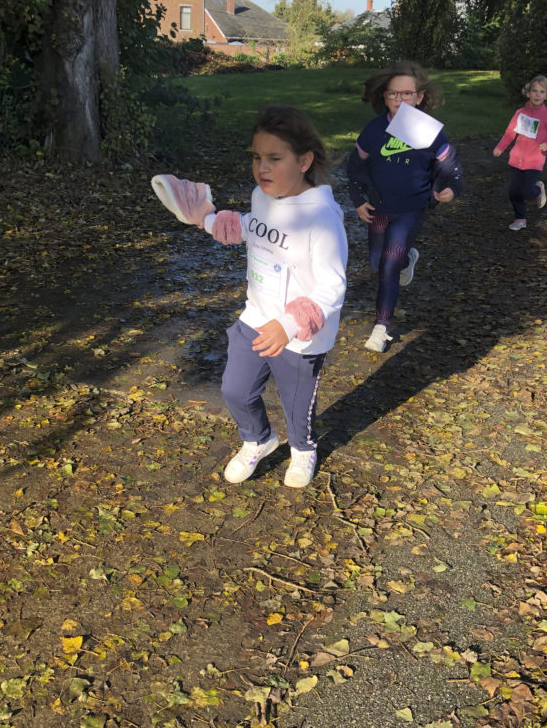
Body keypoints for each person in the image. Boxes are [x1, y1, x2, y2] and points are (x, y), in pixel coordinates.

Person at [151, 104, 347, 489]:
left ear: (304, 160)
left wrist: (288, 325)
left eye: (275, 158)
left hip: (300, 337)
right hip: (256, 316)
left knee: (297, 405)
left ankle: (303, 449)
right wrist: (208, 219)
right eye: (257, 157)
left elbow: (332, 285)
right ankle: (258, 439)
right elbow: (253, 227)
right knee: (235, 389)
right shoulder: (262, 196)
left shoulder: (322, 217)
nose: (262, 168)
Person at [346, 61, 462, 353]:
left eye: (407, 93)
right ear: (383, 96)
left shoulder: (430, 133)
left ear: (419, 96)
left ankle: (381, 327)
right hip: (379, 209)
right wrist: (358, 199)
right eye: (393, 94)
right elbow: (355, 166)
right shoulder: (374, 130)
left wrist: (450, 188)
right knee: (377, 263)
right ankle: (408, 259)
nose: (399, 100)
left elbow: (450, 167)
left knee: (388, 266)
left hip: (411, 209)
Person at [493, 76, 547, 231]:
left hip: (534, 160)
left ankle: (538, 190)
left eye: (542, 92)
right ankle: (520, 218)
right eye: (534, 91)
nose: (537, 94)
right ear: (528, 93)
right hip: (516, 159)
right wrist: (500, 147)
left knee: (527, 191)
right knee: (513, 191)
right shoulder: (520, 113)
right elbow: (510, 133)